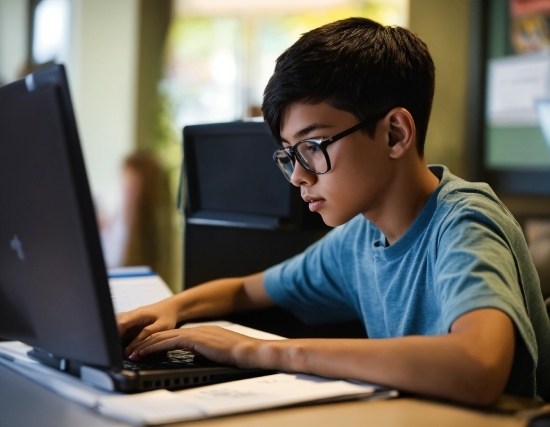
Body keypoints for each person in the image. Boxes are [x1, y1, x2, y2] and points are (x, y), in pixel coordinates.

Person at [117, 17, 550, 405]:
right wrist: (171, 308)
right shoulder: (360, 239)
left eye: (312, 147)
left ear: (395, 134)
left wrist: (258, 349)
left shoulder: (464, 222)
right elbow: (247, 291)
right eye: (289, 154)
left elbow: (478, 364)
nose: (297, 177)